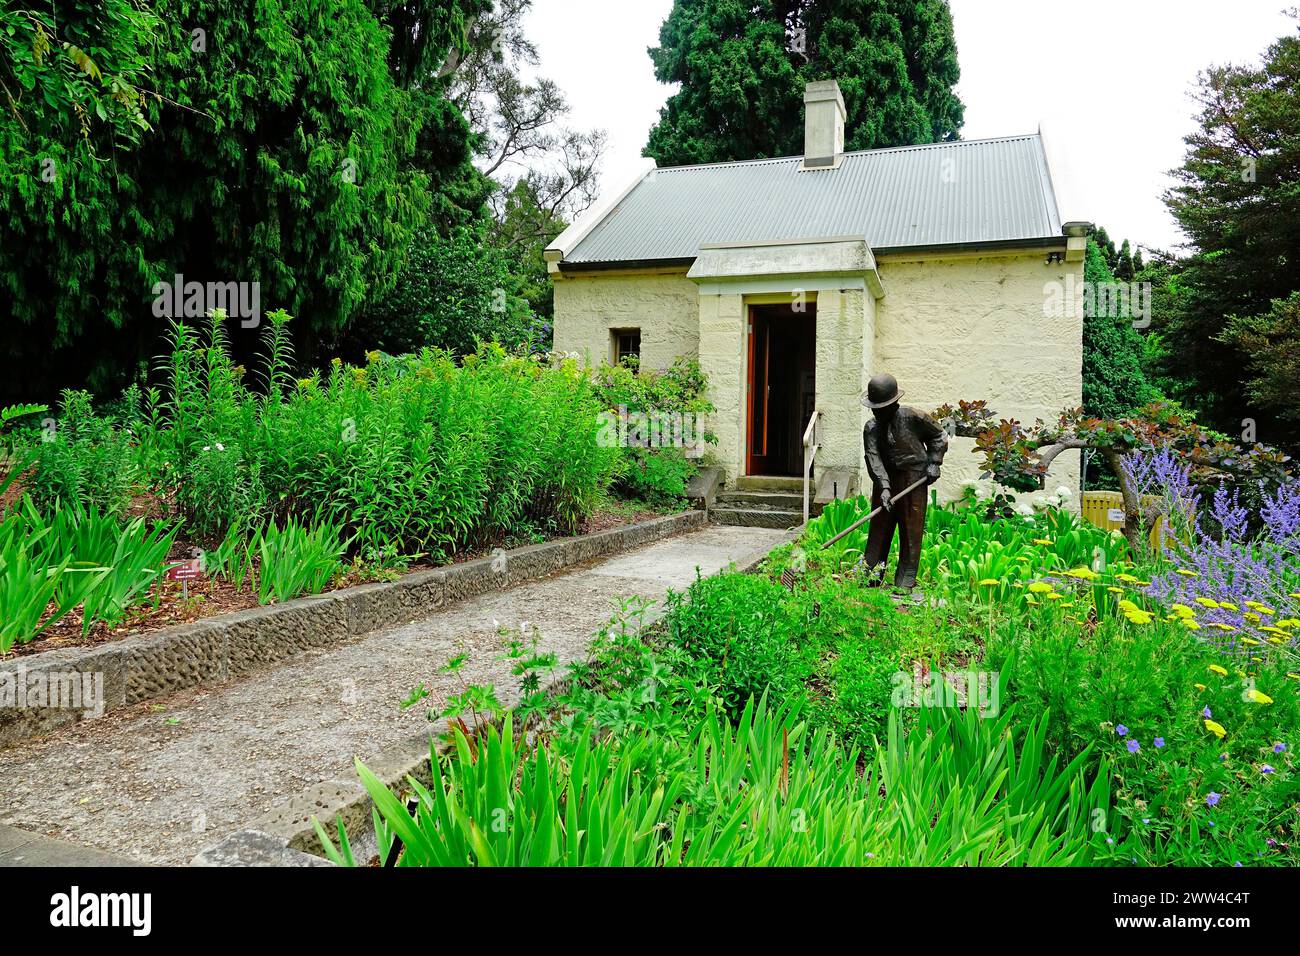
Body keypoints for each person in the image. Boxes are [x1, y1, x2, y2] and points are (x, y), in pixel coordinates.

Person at [861, 373, 948, 591]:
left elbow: (940, 436)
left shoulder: (914, 417)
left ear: (894, 403)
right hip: (886, 478)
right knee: (879, 527)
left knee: (911, 530)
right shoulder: (871, 428)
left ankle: (904, 582)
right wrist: (884, 487)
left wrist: (934, 462)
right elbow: (873, 458)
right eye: (874, 407)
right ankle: (871, 576)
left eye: (881, 407)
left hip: (913, 477)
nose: (876, 411)